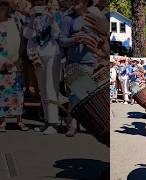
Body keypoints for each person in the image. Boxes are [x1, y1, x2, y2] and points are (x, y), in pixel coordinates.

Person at [60, 0, 104, 136]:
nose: (73, 3)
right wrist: (75, 39)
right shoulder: (68, 19)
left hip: (90, 61)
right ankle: (72, 124)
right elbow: (62, 40)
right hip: (73, 61)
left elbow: (102, 38)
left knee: (85, 94)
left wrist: (95, 42)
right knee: (74, 94)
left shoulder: (94, 17)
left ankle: (84, 122)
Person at [24, 0, 61, 135]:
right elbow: (27, 35)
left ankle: (54, 122)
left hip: (51, 53)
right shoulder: (30, 14)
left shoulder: (55, 13)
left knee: (51, 87)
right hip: (37, 55)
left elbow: (57, 34)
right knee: (42, 89)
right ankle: (47, 120)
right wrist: (32, 19)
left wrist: (51, 19)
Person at [0, 0, 29, 132]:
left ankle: (19, 120)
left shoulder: (16, 21)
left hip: (15, 62)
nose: (2, 8)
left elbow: (22, 42)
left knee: (17, 92)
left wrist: (17, 57)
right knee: (2, 93)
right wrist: (3, 61)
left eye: (4, 5)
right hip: (1, 64)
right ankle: (2, 121)